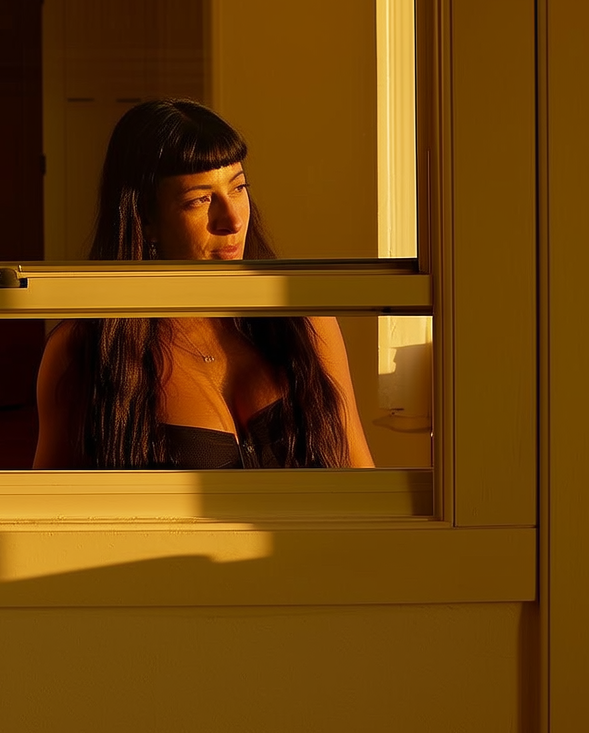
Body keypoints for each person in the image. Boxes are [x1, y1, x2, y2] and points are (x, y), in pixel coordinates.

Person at [33, 99, 375, 469]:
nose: (231, 219)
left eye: (239, 188)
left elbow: (359, 473)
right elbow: (54, 509)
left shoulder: (302, 323)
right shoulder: (85, 348)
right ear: (145, 219)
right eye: (200, 200)